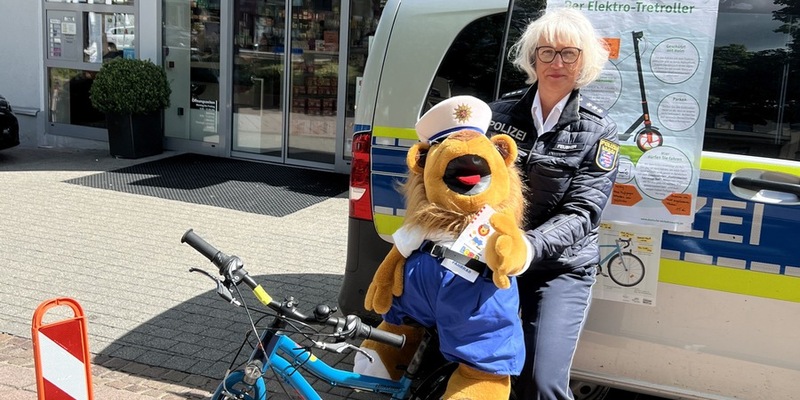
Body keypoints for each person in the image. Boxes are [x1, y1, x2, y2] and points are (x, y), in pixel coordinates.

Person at [486, 7, 620, 399]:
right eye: (547, 51)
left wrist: (529, 246)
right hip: (495, 257)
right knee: (473, 363)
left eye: (569, 53)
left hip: (559, 269)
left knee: (540, 383)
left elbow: (583, 211)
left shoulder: (600, 130)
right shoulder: (497, 115)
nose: (556, 62)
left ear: (584, 62)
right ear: (533, 59)